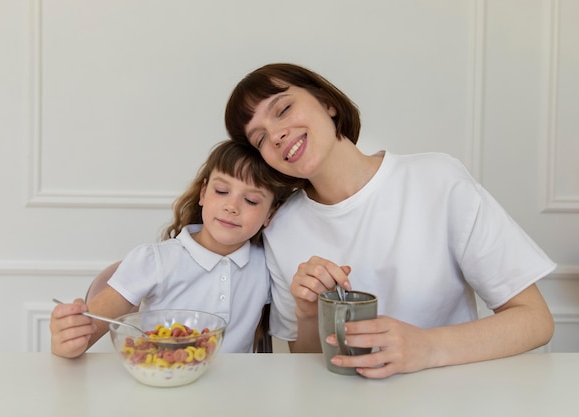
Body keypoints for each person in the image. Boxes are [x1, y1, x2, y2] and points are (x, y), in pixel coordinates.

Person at [224, 63, 556, 378]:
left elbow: (535, 320)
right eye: (260, 138)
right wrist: (308, 315)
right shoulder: (281, 228)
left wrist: (426, 348)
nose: (277, 135)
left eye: (282, 109)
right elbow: (309, 361)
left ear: (327, 103)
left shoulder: (437, 179)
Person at [50, 140, 303, 358]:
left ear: (270, 213)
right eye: (222, 191)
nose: (231, 206)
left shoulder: (268, 265)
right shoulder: (154, 259)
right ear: (204, 193)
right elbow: (88, 329)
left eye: (250, 200)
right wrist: (68, 337)